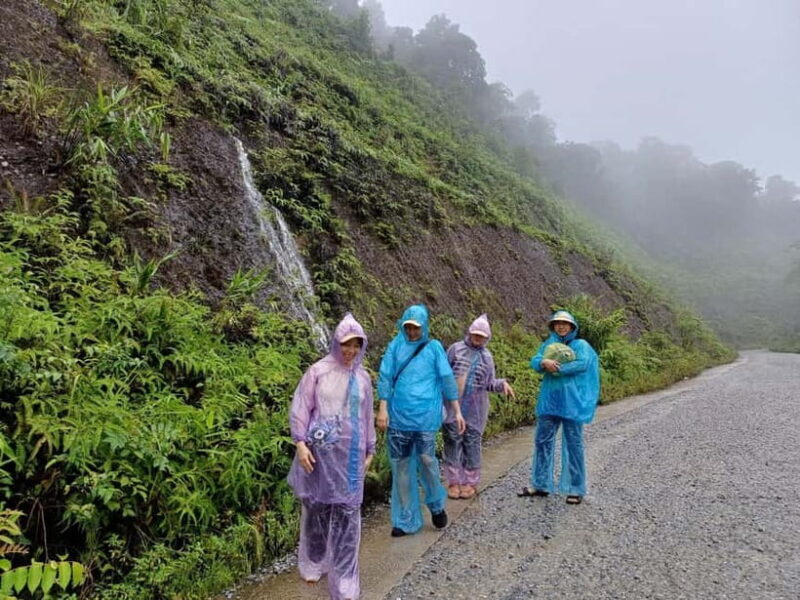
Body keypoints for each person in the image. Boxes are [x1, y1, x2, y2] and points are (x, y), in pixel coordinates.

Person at [288, 313, 376, 600]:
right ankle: (314, 560)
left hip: (350, 460)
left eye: (356, 345)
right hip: (321, 457)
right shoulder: (318, 372)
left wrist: (370, 449)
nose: (350, 351)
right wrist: (300, 443)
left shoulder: (363, 378)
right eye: (346, 344)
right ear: (336, 343)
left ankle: (346, 580)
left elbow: (366, 418)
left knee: (348, 516)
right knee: (318, 509)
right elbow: (302, 407)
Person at [376, 304, 465, 537]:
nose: (412, 332)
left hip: (425, 417)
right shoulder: (395, 346)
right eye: (408, 328)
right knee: (402, 467)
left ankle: (436, 505)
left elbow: (446, 379)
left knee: (427, 461)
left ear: (424, 327)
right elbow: (385, 376)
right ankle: (405, 518)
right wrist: (383, 408)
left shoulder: (434, 348)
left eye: (416, 328)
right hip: (399, 417)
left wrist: (456, 410)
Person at [519, 310, 600, 504]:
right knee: (542, 441)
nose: (561, 326)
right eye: (557, 323)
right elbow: (535, 361)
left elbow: (583, 363)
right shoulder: (549, 344)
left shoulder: (581, 345)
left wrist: (559, 368)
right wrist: (543, 361)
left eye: (565, 324)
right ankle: (540, 484)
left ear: (572, 327)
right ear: (553, 326)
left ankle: (575, 488)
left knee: (574, 444)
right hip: (550, 400)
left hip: (572, 403)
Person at [444, 314, 515, 500]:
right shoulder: (455, 349)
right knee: (453, 442)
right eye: (475, 334)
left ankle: (470, 482)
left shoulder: (487, 357)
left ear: (487, 338)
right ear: (469, 332)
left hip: (476, 410)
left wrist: (502, 385)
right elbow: (443, 373)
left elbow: (489, 382)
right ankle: (454, 482)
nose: (478, 338)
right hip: (453, 407)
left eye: (482, 336)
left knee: (472, 444)